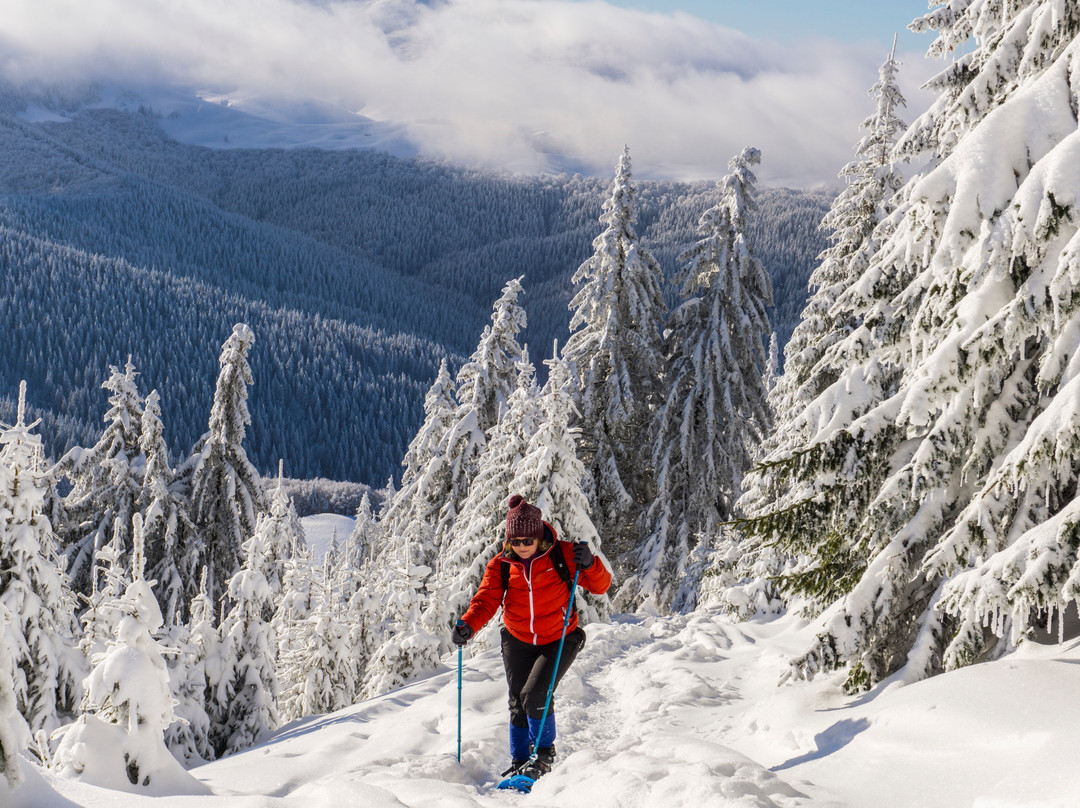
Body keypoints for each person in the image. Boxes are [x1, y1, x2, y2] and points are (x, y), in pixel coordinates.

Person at [450, 494, 611, 780]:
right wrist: (468, 625)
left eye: (528, 540)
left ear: (538, 537)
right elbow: (486, 600)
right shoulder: (502, 564)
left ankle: (543, 755)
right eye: (516, 541)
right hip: (517, 638)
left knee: (535, 695)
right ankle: (520, 761)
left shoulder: (563, 555)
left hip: (560, 638)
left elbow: (601, 587)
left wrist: (590, 564)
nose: (522, 546)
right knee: (517, 702)